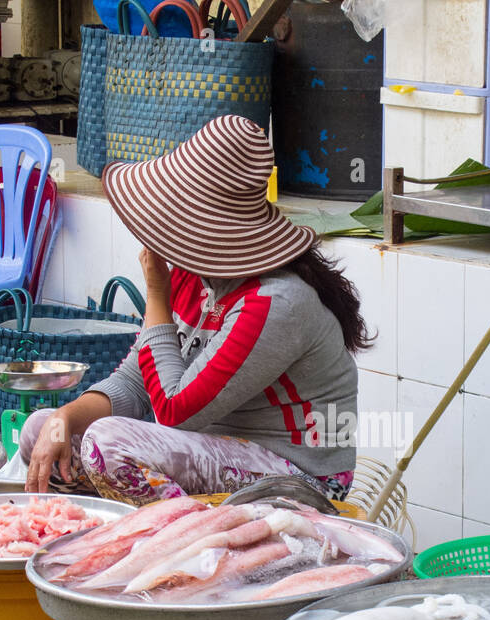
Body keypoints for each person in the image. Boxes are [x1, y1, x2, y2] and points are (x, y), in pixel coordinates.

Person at [21, 115, 370, 504]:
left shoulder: (276, 303)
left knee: (109, 443)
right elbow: (136, 384)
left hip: (302, 477)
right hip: (213, 447)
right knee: (42, 432)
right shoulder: (194, 275)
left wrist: (156, 293)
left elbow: (174, 412)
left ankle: (174, 546)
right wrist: (64, 417)